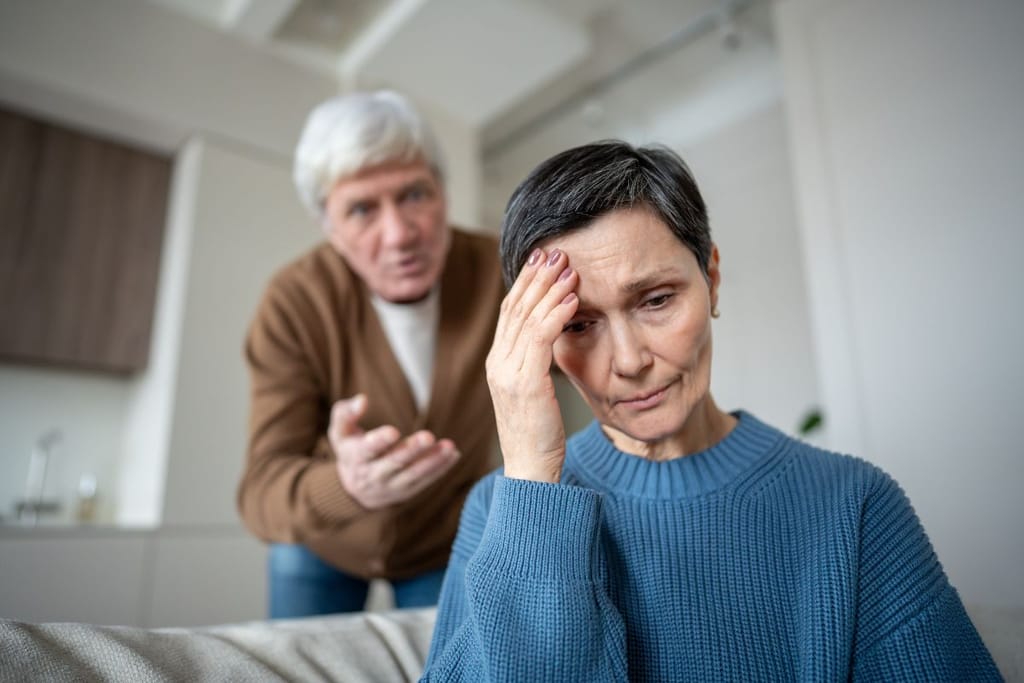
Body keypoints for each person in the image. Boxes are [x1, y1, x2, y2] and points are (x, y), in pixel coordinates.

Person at [422, 141, 1000, 680]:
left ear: (712, 279)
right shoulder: (502, 508)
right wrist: (531, 480)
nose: (628, 361)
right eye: (577, 324)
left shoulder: (855, 505)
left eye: (656, 300)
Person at [237, 91, 504, 617]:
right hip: (322, 540)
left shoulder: (499, 272)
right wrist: (347, 485)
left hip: (443, 541)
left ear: (443, 194)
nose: (400, 234)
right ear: (330, 230)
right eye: (361, 209)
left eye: (414, 195)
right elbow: (260, 492)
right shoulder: (294, 301)